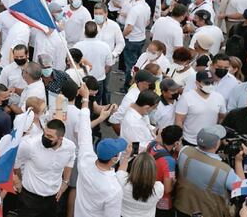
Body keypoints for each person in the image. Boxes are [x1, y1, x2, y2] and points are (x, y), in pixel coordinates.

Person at [74, 83, 126, 217]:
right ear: (114, 159)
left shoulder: (85, 161)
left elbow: (84, 129)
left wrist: (85, 99)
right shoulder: (113, 189)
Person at [174, 125, 247, 217]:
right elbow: (244, 189)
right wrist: (238, 161)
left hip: (182, 208)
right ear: (217, 144)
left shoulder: (184, 151)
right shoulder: (224, 170)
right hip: (208, 213)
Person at [14, 119, 76, 217]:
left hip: (53, 199)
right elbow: (16, 161)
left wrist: (66, 181)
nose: (45, 137)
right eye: (45, 133)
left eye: (50, 136)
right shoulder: (30, 145)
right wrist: (18, 180)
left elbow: (70, 160)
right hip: (30, 200)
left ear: (60, 138)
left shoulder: (70, 147)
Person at [175, 71, 227, 146]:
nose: (210, 85)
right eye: (206, 83)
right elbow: (179, 120)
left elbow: (222, 117)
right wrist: (179, 139)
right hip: (189, 141)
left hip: (210, 141)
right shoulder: (186, 97)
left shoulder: (219, 97)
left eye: (212, 82)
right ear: (197, 83)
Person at [146, 125, 183, 217]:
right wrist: (174, 182)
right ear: (176, 142)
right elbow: (167, 189)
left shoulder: (152, 145)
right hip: (162, 201)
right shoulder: (169, 161)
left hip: (148, 191)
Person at [116, 153, 164, 217]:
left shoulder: (122, 181)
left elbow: (120, 171)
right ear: (153, 170)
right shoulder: (159, 188)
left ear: (134, 167)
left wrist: (127, 155)